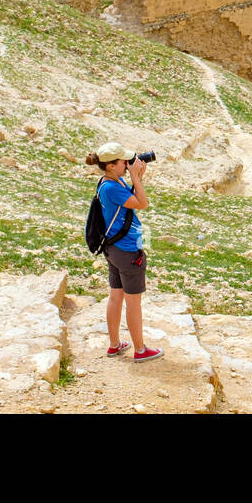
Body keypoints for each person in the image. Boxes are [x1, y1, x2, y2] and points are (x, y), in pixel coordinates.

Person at [85, 142, 162, 363]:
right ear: (110, 165)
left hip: (113, 249)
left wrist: (136, 176)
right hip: (127, 251)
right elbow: (142, 203)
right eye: (123, 162)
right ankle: (140, 350)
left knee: (116, 296)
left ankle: (114, 345)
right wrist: (136, 178)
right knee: (133, 302)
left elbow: (129, 198)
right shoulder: (111, 187)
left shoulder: (109, 181)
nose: (127, 164)